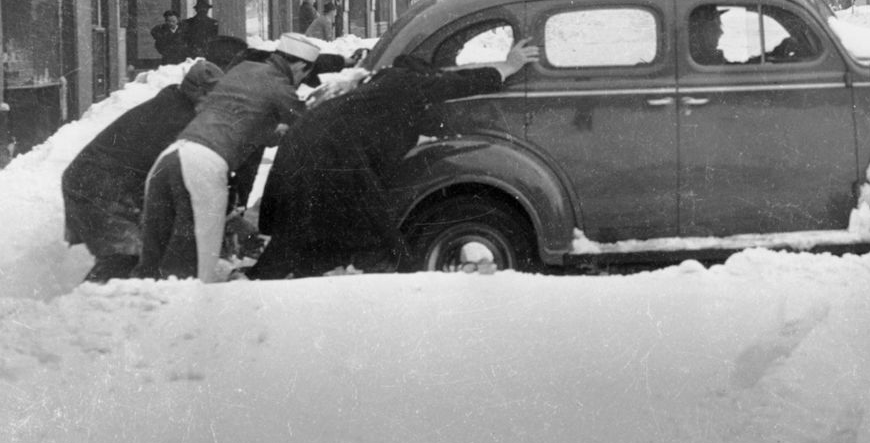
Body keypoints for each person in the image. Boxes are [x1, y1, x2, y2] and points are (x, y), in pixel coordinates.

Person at [249, 35, 539, 278]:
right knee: (375, 231)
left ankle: (260, 280)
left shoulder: (381, 89)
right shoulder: (406, 83)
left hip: (308, 142)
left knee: (301, 227)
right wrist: (507, 67)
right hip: (333, 153)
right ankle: (405, 280)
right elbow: (456, 84)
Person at [137, 32, 321, 282]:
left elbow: (234, 116)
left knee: (152, 264)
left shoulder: (243, 69)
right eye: (303, 76)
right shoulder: (280, 85)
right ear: (299, 66)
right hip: (202, 167)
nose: (299, 83)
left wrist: (268, 131)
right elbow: (308, 123)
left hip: (172, 156)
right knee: (192, 274)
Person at [61, 60, 224, 282]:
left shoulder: (174, 103)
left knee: (138, 251)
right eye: (213, 99)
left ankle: (104, 301)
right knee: (127, 253)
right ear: (200, 93)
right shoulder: (176, 118)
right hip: (96, 183)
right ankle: (85, 306)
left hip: (99, 179)